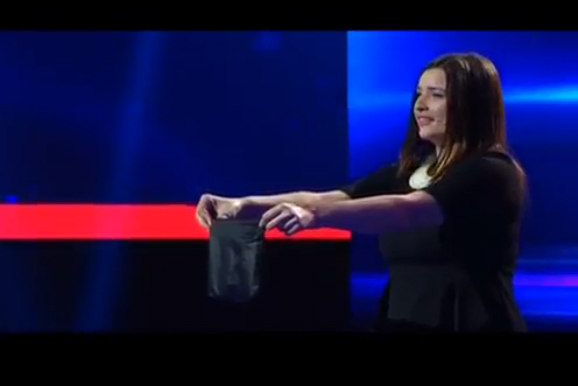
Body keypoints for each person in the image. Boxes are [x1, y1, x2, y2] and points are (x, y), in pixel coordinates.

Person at [196, 52, 528, 332]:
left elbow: (407, 210)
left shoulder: (491, 170)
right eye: (418, 93)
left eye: (436, 95)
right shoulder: (408, 172)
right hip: (402, 319)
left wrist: (315, 216)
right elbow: (323, 198)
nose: (420, 105)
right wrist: (242, 205)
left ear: (471, 105)